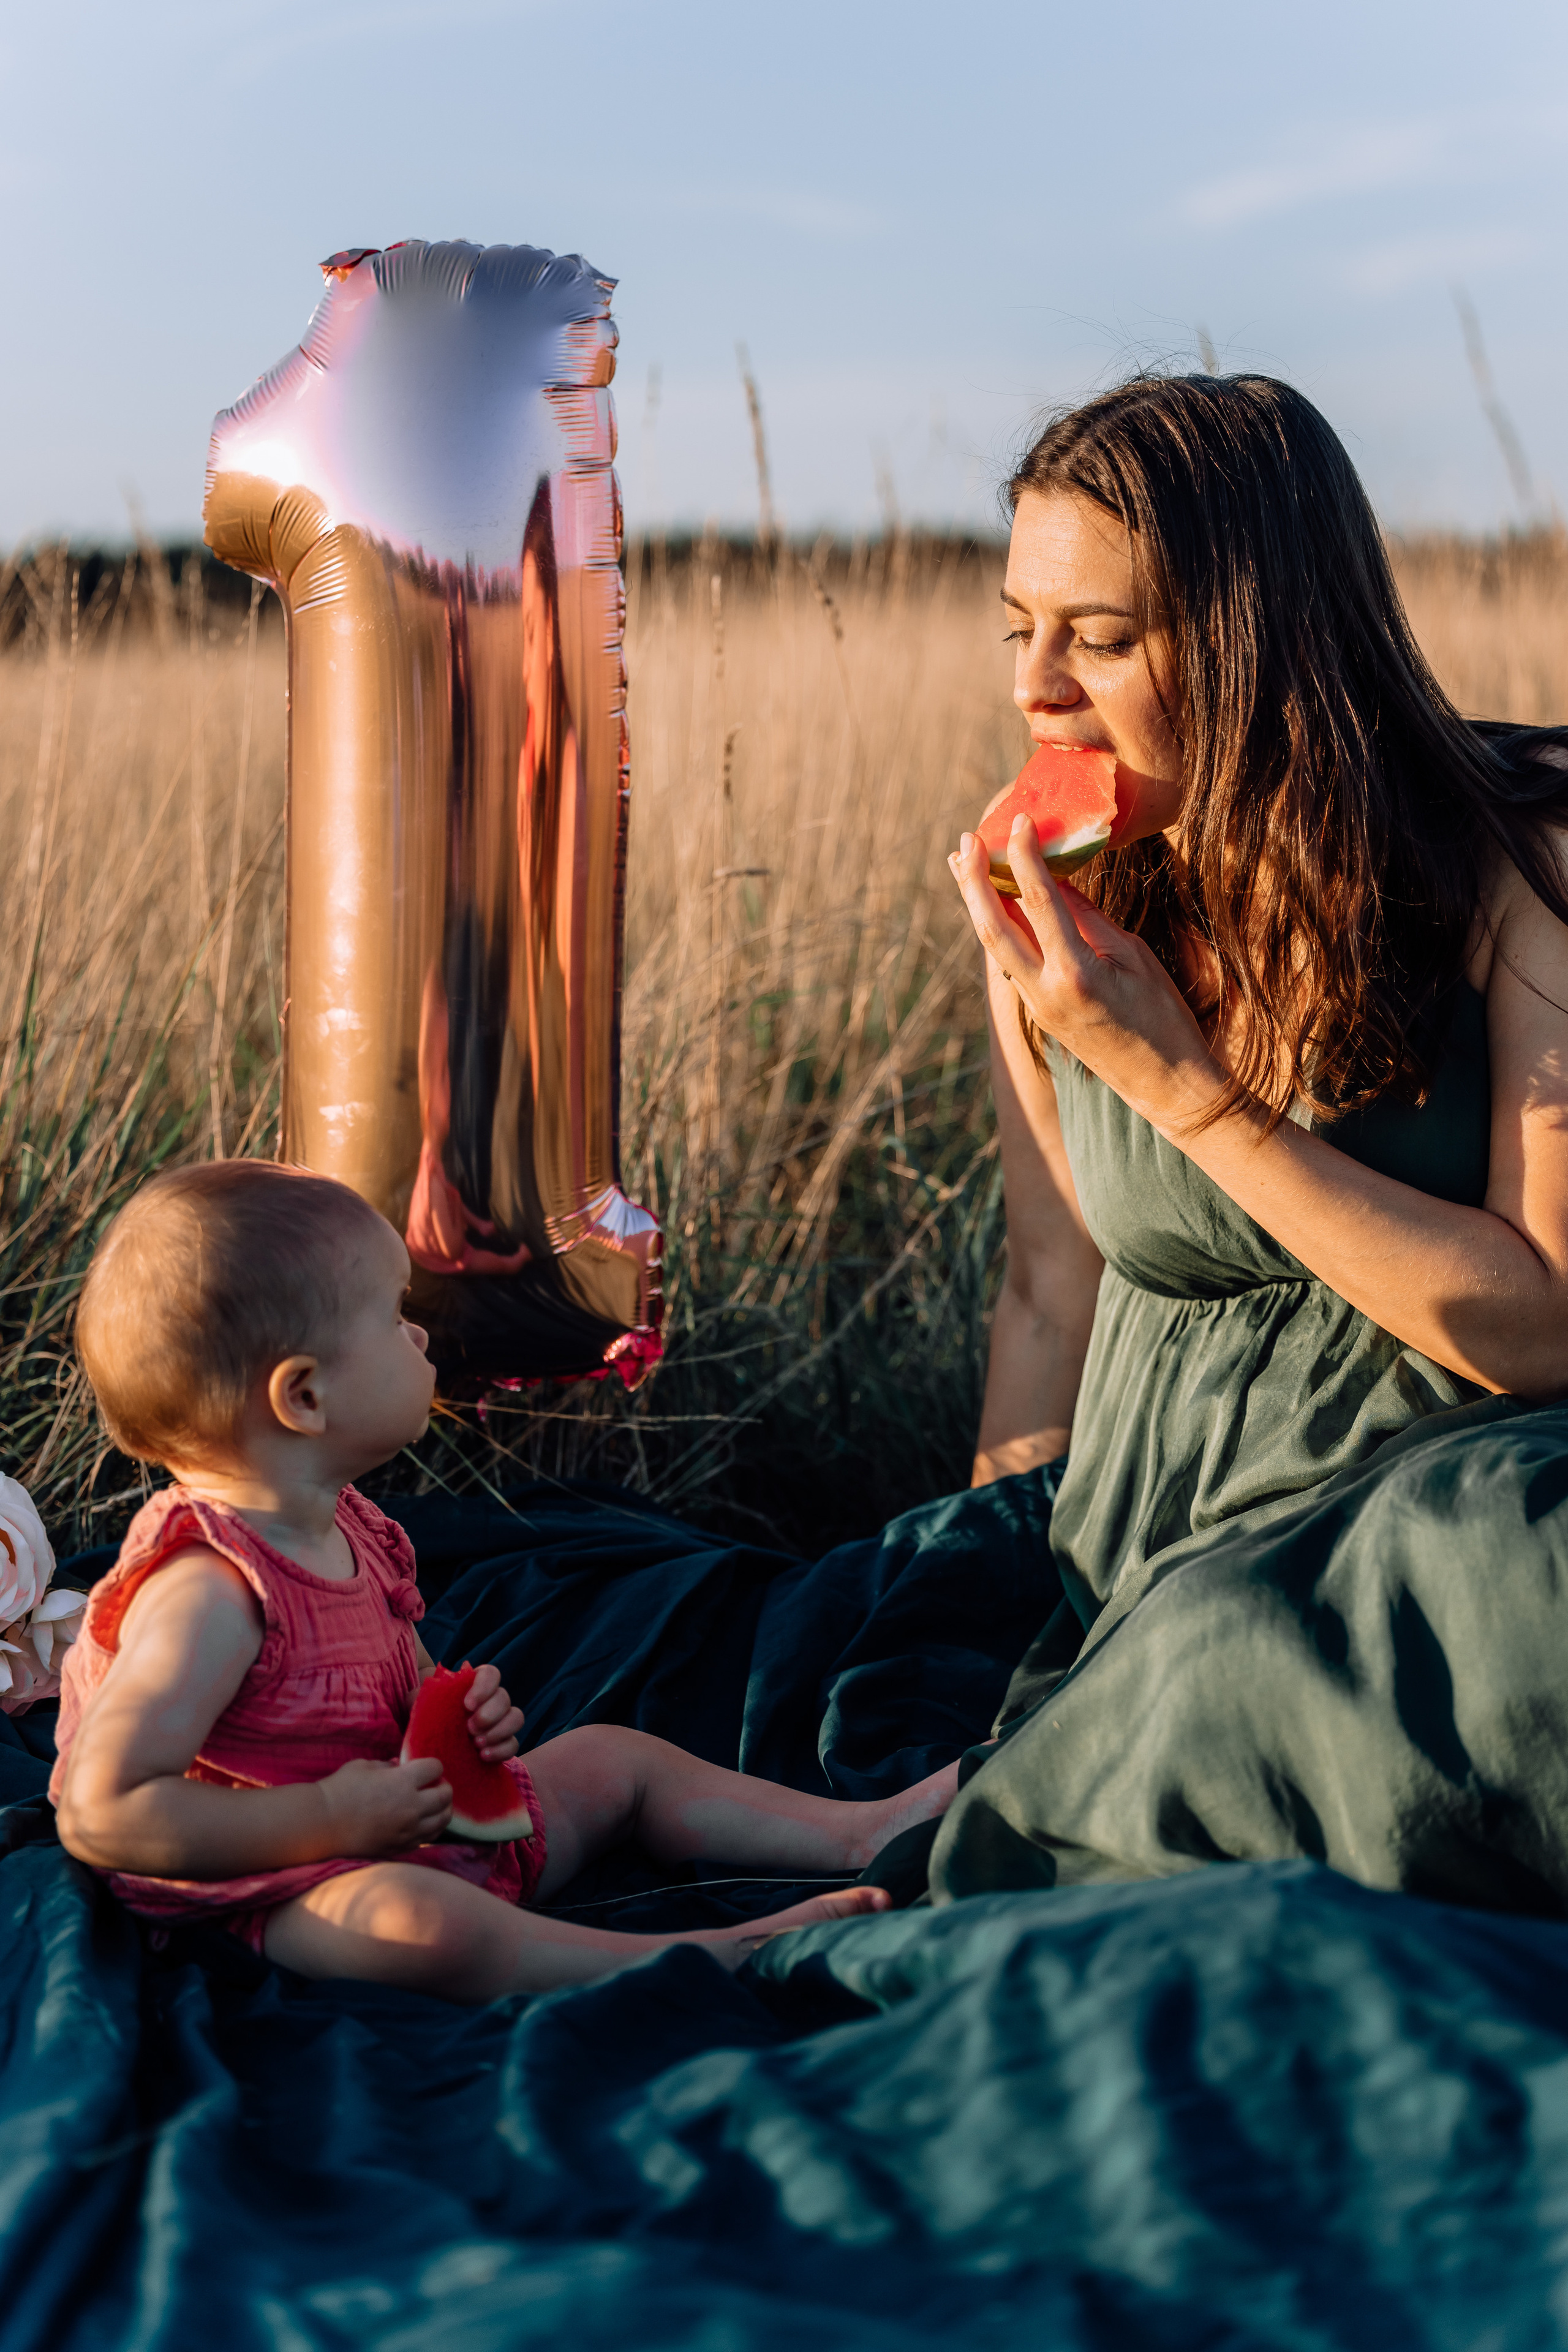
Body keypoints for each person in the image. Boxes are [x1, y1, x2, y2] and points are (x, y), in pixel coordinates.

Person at [930, 372, 1568, 1906]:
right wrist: (989, 1574)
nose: (1037, 691)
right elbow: (1045, 1290)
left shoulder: (1514, 858)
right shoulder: (1054, 926)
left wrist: (1178, 1086)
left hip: (1440, 1499)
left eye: (1098, 636)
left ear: (1252, 632)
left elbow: (1541, 1324)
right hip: (1161, 1537)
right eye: (1019, 628)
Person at [50, 1163, 957, 2001]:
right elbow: (105, 1811)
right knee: (419, 1925)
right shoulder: (208, 1590)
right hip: (261, 1886)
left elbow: (396, 1683)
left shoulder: (351, 1522)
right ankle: (713, 1957)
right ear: (305, 1399)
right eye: (391, 1313)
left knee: (614, 1759)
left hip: (407, 1817)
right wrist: (327, 1818)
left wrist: (462, 1719)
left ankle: (860, 1835)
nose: (417, 1332)